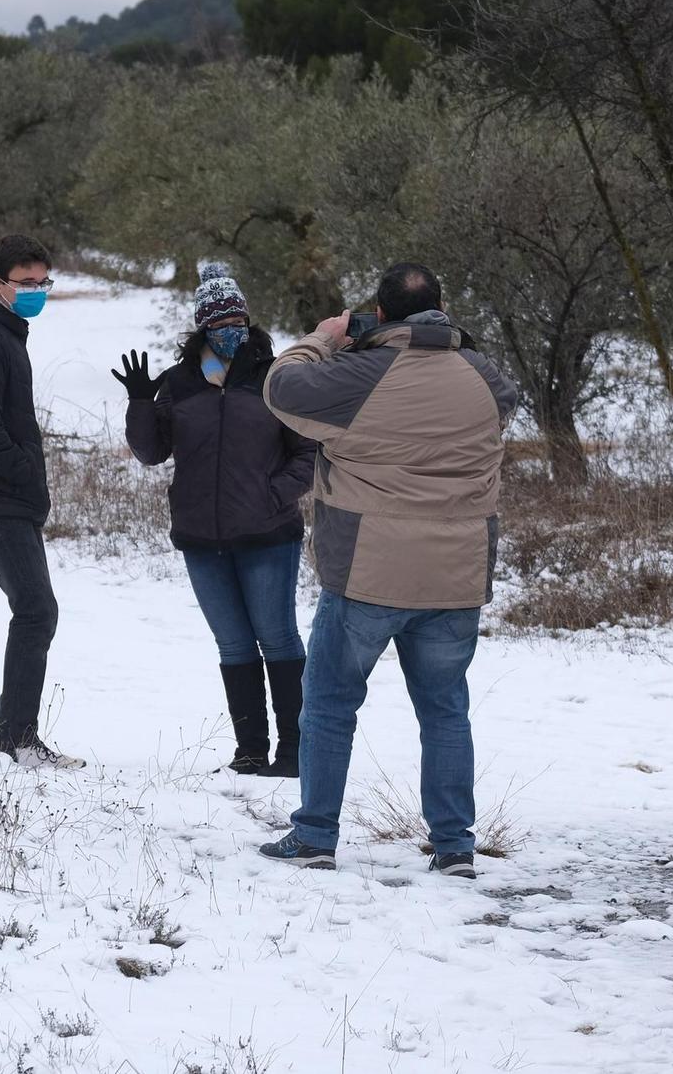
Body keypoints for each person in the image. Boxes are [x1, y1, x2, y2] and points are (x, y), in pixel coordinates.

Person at [254, 263, 519, 877]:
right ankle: (454, 845)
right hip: (454, 575)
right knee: (446, 710)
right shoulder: (481, 376)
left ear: (377, 311)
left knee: (328, 705)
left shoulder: (355, 376)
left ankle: (316, 835)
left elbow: (281, 389)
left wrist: (325, 336)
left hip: (368, 572)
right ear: (443, 306)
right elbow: (505, 397)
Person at [114, 264, 316, 777]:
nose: (231, 327)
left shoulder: (275, 377)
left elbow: (308, 453)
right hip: (202, 538)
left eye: (238, 317)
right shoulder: (180, 384)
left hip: (268, 534)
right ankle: (249, 750)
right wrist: (141, 403)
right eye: (220, 320)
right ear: (202, 327)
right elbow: (151, 452)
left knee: (278, 638)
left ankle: (294, 752)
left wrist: (274, 494)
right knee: (232, 643)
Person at [0, 233, 84, 770]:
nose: (36, 292)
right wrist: (25, 472)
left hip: (7, 497)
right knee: (35, 611)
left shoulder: (5, 333)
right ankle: (18, 738)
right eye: (25, 283)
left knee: (35, 611)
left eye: (42, 282)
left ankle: (16, 734)